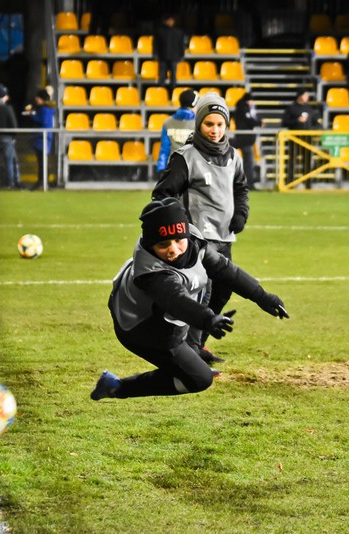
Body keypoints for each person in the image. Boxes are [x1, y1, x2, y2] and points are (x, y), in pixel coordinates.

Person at [90, 197, 289, 400]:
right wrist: (208, 319)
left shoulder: (192, 239)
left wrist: (263, 297)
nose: (174, 249)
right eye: (163, 244)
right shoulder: (152, 274)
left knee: (204, 280)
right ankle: (117, 387)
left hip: (156, 311)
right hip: (141, 327)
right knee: (199, 379)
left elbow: (224, 269)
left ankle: (191, 355)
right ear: (151, 245)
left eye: (178, 240)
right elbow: (176, 302)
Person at [152, 92, 250, 357]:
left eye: (220, 124)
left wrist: (241, 214)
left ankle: (199, 343)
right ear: (199, 124)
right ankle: (190, 352)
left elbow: (241, 189)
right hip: (198, 239)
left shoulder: (234, 156)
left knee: (222, 292)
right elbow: (162, 194)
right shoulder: (185, 157)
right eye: (209, 124)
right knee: (202, 293)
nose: (215, 130)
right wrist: (181, 227)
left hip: (225, 237)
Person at [156, 89, 197, 175]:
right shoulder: (199, 123)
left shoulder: (168, 122)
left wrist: (161, 168)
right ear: (193, 104)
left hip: (173, 167)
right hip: (193, 167)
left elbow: (165, 148)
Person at [0, 83, 20, 190]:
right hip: (6, 138)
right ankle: (10, 183)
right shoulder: (7, 108)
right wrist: (13, 137)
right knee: (9, 162)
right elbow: (13, 124)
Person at [22, 88, 55, 185]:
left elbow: (43, 121)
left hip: (41, 138)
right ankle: (43, 181)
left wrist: (32, 115)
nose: (36, 99)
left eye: (38, 97)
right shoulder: (49, 109)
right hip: (44, 138)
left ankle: (42, 181)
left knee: (42, 161)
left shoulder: (44, 109)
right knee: (42, 160)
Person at [232, 92, 264, 189]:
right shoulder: (244, 109)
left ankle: (243, 183)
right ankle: (249, 183)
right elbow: (249, 121)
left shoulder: (240, 108)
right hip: (245, 139)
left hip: (242, 138)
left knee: (246, 162)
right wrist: (259, 122)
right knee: (248, 163)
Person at [154, 14, 185, 93]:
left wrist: (181, 55)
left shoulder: (178, 32)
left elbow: (181, 45)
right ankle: (162, 91)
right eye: (168, 20)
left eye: (171, 20)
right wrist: (156, 54)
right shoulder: (160, 32)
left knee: (173, 75)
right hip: (162, 57)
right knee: (162, 75)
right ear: (165, 21)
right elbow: (156, 44)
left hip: (174, 57)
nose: (170, 22)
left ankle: (173, 91)